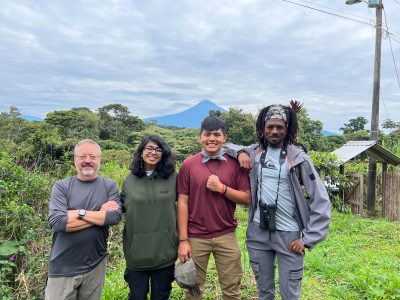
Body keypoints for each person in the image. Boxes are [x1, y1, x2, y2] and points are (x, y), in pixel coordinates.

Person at [224, 102, 331, 300]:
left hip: (289, 235)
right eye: (270, 127)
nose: (274, 131)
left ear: (287, 129)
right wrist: (240, 153)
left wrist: (308, 239)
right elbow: (224, 146)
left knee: (290, 293)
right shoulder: (254, 152)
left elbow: (321, 200)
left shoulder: (299, 159)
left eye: (279, 127)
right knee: (264, 292)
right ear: (262, 129)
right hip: (258, 233)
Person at [177, 116, 251, 300]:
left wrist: (222, 189)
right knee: (193, 290)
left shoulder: (235, 163)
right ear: (200, 137)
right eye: (207, 134)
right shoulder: (188, 164)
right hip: (195, 237)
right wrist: (183, 240)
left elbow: (247, 198)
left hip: (226, 235)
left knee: (232, 290)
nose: (212, 139)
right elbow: (183, 202)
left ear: (225, 138)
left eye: (217, 134)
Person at [45, 139, 122, 300]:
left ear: (99, 160)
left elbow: (114, 217)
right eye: (83, 156)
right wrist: (99, 214)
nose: (88, 161)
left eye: (93, 157)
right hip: (62, 267)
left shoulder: (109, 185)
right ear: (75, 160)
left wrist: (76, 213)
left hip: (95, 265)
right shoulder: (61, 187)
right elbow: (58, 223)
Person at [121, 135, 178, 300]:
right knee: (136, 296)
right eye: (149, 148)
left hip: (164, 252)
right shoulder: (129, 180)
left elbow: (185, 205)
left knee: (161, 296)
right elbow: (120, 206)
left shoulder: (173, 177)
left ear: (164, 154)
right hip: (136, 255)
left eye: (158, 149)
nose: (154, 153)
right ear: (141, 152)